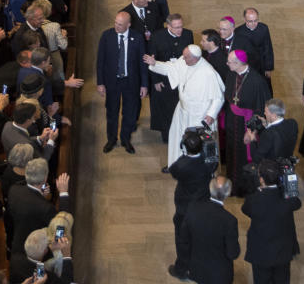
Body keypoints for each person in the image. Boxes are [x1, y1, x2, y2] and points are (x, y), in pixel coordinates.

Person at [241, 160, 301, 284]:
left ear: (261, 179)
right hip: (282, 253)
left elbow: (245, 209)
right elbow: (297, 202)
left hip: (261, 254)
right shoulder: (287, 199)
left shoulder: (254, 200)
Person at [144, 45, 225, 168]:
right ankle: (177, 165)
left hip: (198, 116)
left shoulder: (208, 73)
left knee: (196, 143)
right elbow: (171, 68)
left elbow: (219, 97)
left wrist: (211, 114)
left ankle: (197, 169)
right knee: (177, 137)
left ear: (195, 59)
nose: (182, 59)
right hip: (182, 110)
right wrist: (155, 63)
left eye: (186, 57)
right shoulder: (184, 61)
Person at [167, 130, 217, 281]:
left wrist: (185, 154)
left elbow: (174, 171)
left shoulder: (181, 166)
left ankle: (182, 269)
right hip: (203, 202)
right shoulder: (209, 161)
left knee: (182, 238)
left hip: (185, 205)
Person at [96, 12, 148, 154]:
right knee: (112, 112)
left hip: (131, 82)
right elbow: (100, 61)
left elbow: (142, 63)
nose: (116, 26)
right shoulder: (107, 36)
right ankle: (111, 140)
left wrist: (144, 84)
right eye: (115, 23)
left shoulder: (137, 37)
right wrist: (100, 83)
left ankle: (125, 139)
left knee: (129, 113)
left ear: (128, 25)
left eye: (120, 24)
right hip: (112, 82)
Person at [223, 50, 272, 188]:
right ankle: (233, 181)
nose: (227, 64)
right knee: (232, 151)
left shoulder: (257, 81)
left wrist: (252, 130)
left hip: (247, 123)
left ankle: (245, 187)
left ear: (239, 63)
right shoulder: (232, 74)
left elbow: (261, 109)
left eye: (230, 62)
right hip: (233, 121)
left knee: (245, 154)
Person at [148, 14, 193, 143]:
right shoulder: (157, 37)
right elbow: (152, 60)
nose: (180, 30)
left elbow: (190, 57)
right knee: (165, 109)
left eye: (181, 27)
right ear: (168, 26)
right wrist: (156, 80)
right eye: (176, 27)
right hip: (163, 79)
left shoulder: (188, 34)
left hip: (181, 78)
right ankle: (167, 135)